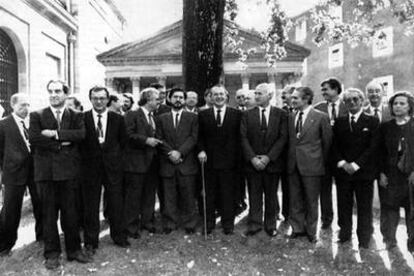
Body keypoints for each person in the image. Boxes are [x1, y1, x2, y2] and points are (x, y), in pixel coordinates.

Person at [29, 80, 90, 270]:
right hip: (46, 174)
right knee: (48, 215)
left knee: (71, 214)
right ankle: (52, 253)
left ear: (65, 94)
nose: (54, 94)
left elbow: (80, 135)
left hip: (69, 173)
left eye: (58, 91)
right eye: (51, 91)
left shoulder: (76, 115)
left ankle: (74, 250)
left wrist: (55, 134)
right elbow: (35, 138)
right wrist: (63, 143)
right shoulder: (37, 115)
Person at [80, 86, 129, 256]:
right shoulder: (82, 118)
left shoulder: (118, 119)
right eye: (95, 98)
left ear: (108, 100)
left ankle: (119, 236)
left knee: (116, 202)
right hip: (90, 169)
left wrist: (116, 162)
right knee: (91, 205)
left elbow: (123, 143)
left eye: (102, 98)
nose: (99, 101)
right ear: (90, 99)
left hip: (113, 168)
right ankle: (91, 241)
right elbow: (79, 144)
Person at [332, 88, 380, 249]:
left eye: (355, 99)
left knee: (364, 206)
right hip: (343, 173)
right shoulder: (339, 122)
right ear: (344, 103)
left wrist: (356, 164)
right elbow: (334, 146)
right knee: (344, 204)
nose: (352, 103)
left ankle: (364, 238)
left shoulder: (372, 121)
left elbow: (373, 147)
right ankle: (345, 234)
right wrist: (343, 163)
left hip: (364, 172)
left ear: (361, 101)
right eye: (348, 100)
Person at [240, 83, 288, 237]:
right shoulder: (247, 114)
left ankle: (270, 224)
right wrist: (253, 158)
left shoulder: (280, 114)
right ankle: (254, 224)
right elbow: (243, 137)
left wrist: (268, 157)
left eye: (260, 93)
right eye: (256, 93)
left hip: (272, 163)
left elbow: (282, 138)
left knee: (271, 195)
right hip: (252, 162)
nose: (257, 96)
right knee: (254, 194)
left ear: (270, 95)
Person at [288, 87, 332, 243]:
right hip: (293, 165)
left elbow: (327, 143)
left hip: (313, 165)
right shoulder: (290, 116)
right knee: (295, 199)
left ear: (306, 99)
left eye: (295, 98)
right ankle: (297, 228)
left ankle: (311, 231)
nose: (292, 101)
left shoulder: (320, 117)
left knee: (312, 200)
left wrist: (319, 161)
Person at [0, 93, 42, 256]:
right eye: (22, 106)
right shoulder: (3, 125)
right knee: (11, 209)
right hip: (13, 173)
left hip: (35, 171)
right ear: (13, 106)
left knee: (40, 204)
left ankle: (42, 236)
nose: (26, 109)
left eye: (27, 105)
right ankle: (5, 243)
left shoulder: (33, 122)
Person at [198, 85, 242, 235]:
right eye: (215, 94)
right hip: (209, 161)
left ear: (226, 96)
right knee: (209, 195)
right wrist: (201, 150)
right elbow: (199, 136)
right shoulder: (203, 114)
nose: (218, 97)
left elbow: (240, 138)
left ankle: (228, 224)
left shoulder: (236, 114)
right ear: (210, 96)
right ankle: (209, 223)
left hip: (230, 162)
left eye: (221, 94)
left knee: (227, 194)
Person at [156, 88, 199, 234]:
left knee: (188, 195)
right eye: (175, 97)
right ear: (169, 98)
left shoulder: (192, 117)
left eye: (181, 97)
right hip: (167, 162)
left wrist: (180, 152)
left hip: (186, 162)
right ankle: (169, 223)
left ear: (185, 100)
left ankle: (189, 223)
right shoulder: (162, 118)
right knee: (169, 196)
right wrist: (170, 153)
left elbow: (193, 137)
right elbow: (159, 138)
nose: (178, 100)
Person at [123, 88, 162, 237]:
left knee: (149, 194)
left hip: (152, 163)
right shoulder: (132, 115)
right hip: (135, 163)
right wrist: (146, 140)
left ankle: (148, 222)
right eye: (157, 99)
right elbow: (128, 135)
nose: (159, 102)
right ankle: (131, 227)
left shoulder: (154, 117)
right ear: (148, 99)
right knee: (134, 196)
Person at [378, 91, 414, 252]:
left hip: (411, 174)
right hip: (391, 174)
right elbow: (380, 153)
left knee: (412, 208)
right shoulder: (386, 127)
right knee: (389, 207)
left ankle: (412, 242)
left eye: (402, 103)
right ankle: (389, 240)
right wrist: (382, 173)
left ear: (410, 106)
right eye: (395, 104)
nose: (398, 106)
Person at [314, 77, 347, 230]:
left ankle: (344, 221)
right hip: (324, 156)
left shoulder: (348, 106)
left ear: (335, 89)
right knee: (324, 189)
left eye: (326, 89)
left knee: (343, 190)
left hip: (343, 156)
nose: (323, 93)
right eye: (322, 90)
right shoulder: (318, 108)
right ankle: (326, 218)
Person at [280, 85, 295, 222]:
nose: (283, 96)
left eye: (285, 93)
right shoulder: (281, 112)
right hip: (284, 157)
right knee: (286, 186)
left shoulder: (302, 111)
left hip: (301, 156)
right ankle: (286, 214)